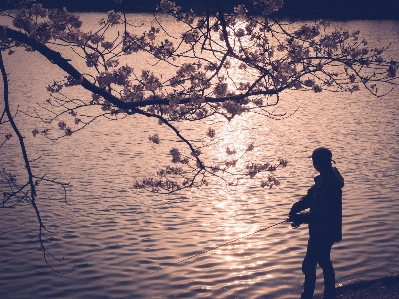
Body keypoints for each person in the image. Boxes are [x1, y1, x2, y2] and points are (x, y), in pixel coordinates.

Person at [288, 147, 344, 299]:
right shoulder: (324, 178)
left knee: (310, 264)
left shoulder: (330, 183)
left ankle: (310, 296)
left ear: (318, 162)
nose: (314, 164)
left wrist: (300, 218)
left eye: (314, 161)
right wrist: (297, 207)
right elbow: (310, 197)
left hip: (325, 230)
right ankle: (328, 294)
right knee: (323, 261)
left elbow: (321, 213)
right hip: (322, 230)